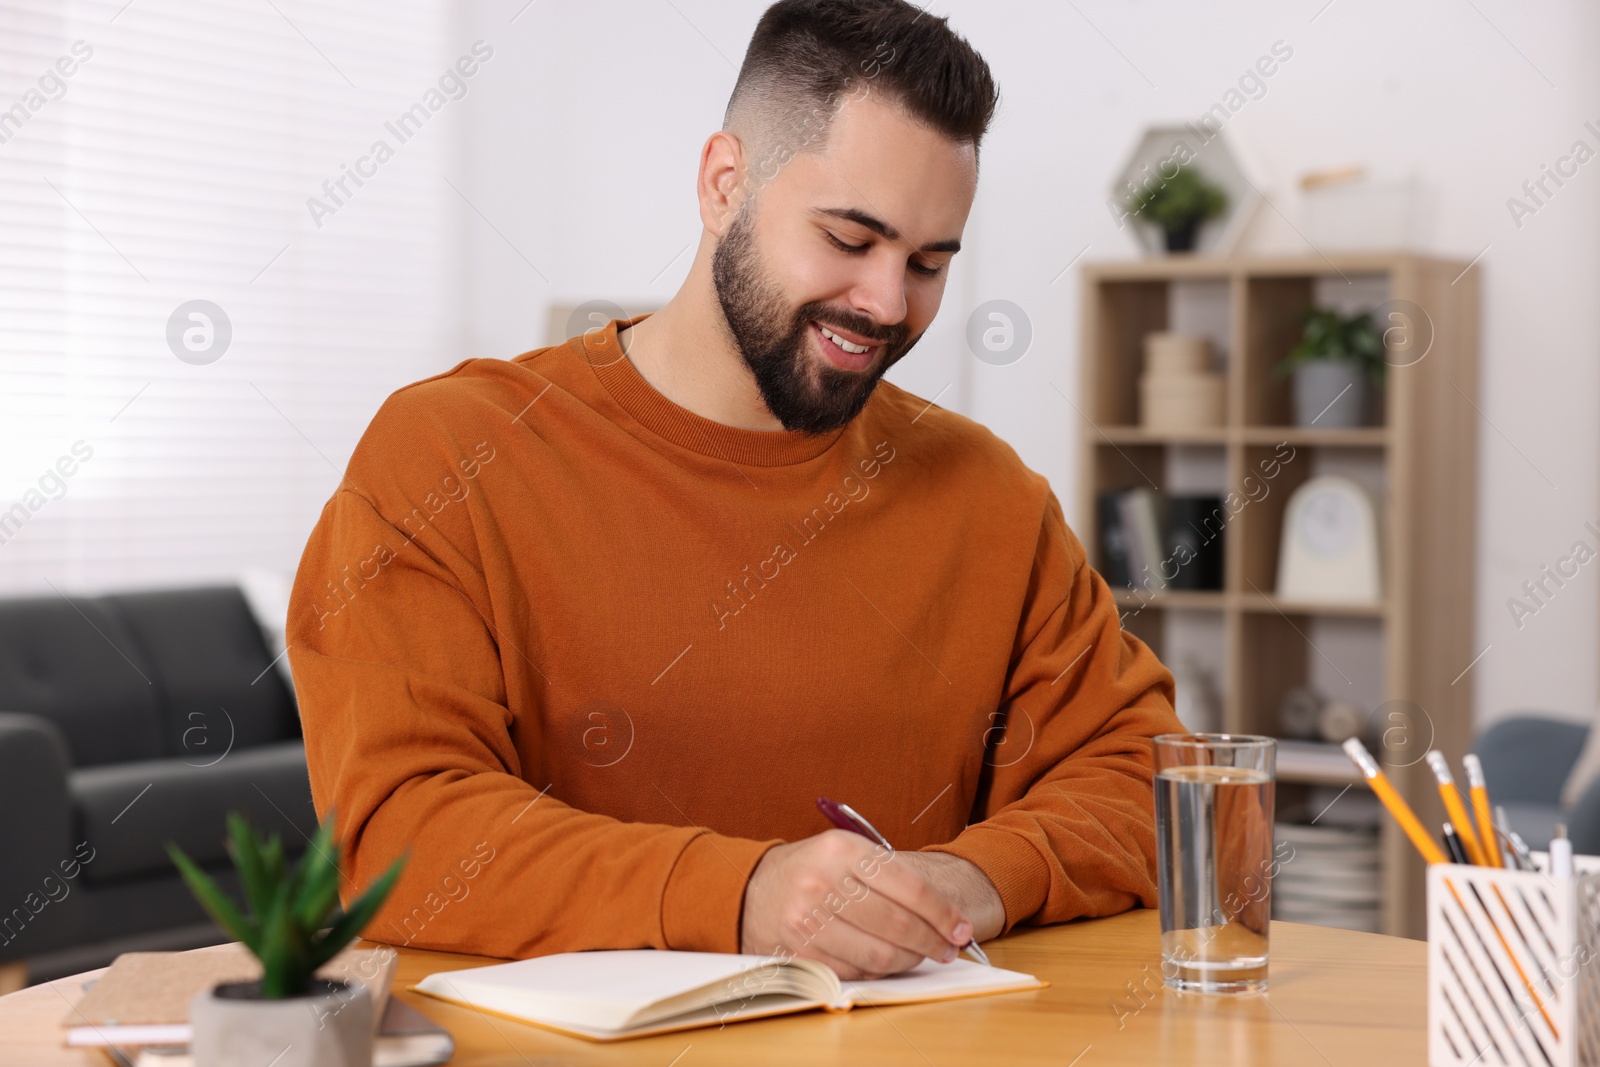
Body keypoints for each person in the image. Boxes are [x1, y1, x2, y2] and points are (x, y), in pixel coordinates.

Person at [288, 0, 1180, 982]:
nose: (887, 303)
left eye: (928, 263)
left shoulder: (987, 493)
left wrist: (970, 880)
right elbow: (399, 830)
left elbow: (1156, 781)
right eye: (848, 237)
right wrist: (744, 895)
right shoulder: (446, 452)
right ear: (723, 183)